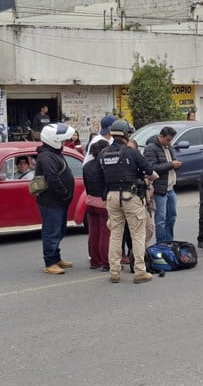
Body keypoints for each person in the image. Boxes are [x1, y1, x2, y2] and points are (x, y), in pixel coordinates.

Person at [97, 120, 157, 284]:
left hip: (112, 197)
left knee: (115, 234)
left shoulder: (103, 154)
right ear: (126, 134)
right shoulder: (132, 152)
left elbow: (100, 177)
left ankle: (114, 272)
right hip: (130, 196)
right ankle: (140, 272)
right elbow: (151, 172)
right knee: (137, 235)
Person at [34, 123, 76, 275]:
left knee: (59, 230)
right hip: (52, 201)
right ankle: (50, 262)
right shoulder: (47, 156)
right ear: (54, 139)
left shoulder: (53, 154)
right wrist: (64, 193)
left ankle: (56, 258)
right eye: (62, 140)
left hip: (58, 201)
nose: (64, 143)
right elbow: (53, 179)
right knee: (52, 231)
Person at [143, 126, 181, 243]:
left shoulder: (168, 147)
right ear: (161, 136)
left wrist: (176, 165)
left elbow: (172, 162)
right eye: (168, 140)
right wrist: (171, 165)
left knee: (172, 217)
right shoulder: (151, 148)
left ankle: (169, 241)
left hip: (170, 188)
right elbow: (151, 168)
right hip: (160, 189)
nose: (169, 142)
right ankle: (161, 243)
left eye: (171, 140)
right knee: (161, 219)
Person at [83, 139, 110, 271]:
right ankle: (106, 262)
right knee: (105, 233)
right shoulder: (104, 166)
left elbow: (87, 186)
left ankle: (94, 261)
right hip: (102, 202)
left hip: (90, 200)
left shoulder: (86, 166)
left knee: (93, 232)